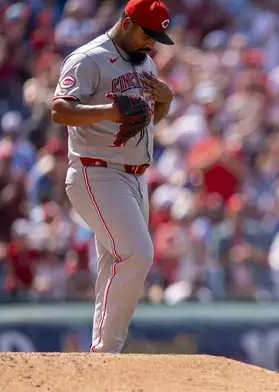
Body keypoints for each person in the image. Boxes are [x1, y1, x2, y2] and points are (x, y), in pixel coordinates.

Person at [50, 0, 174, 353]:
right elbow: (60, 110)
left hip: (135, 177)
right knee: (137, 254)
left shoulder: (144, 61)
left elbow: (144, 122)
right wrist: (109, 109)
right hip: (97, 171)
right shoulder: (87, 58)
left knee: (115, 262)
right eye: (147, 34)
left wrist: (166, 101)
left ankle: (103, 359)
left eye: (157, 37)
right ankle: (106, 354)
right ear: (126, 22)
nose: (151, 43)